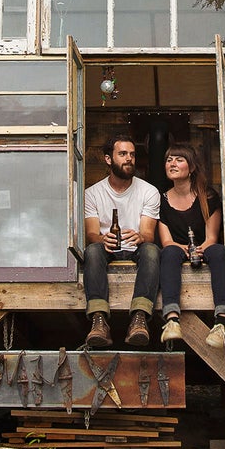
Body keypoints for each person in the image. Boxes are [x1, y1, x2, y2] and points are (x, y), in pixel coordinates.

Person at [80, 132, 162, 349]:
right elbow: (91, 234)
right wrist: (102, 239)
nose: (129, 159)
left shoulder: (149, 191)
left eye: (132, 155)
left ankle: (140, 317)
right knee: (93, 250)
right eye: (123, 154)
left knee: (152, 250)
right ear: (109, 159)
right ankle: (99, 320)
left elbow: (148, 233)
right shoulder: (92, 193)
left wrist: (140, 236)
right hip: (108, 248)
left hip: (135, 248)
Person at [156, 143, 225, 350]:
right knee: (169, 253)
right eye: (169, 159)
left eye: (179, 159)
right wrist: (179, 247)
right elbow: (166, 241)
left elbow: (211, 238)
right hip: (177, 249)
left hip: (203, 247)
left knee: (218, 252)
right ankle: (172, 320)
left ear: (191, 168)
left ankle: (221, 323)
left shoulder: (208, 197)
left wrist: (200, 249)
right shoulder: (161, 200)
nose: (172, 163)